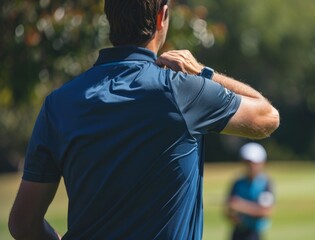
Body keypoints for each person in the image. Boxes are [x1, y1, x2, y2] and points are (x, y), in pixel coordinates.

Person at [8, 0, 280, 239]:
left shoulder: (59, 103)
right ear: (162, 16)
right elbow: (267, 117)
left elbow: (23, 225)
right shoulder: (181, 89)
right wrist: (203, 73)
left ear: (109, 18)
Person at [226, 142, 275, 240]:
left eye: (253, 163)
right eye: (247, 162)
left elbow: (265, 211)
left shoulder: (265, 183)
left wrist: (240, 206)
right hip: (237, 232)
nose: (250, 166)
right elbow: (228, 208)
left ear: (262, 163)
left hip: (254, 234)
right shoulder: (237, 183)